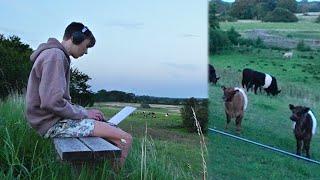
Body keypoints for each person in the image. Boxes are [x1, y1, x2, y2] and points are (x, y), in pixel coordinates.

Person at [25, 22, 132, 168]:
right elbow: (52, 102)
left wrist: (86, 112)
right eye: (86, 46)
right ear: (76, 38)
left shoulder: (55, 55)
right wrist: (84, 113)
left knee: (107, 127)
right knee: (124, 139)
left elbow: (57, 100)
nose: (86, 52)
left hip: (53, 120)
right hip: (52, 124)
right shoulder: (55, 56)